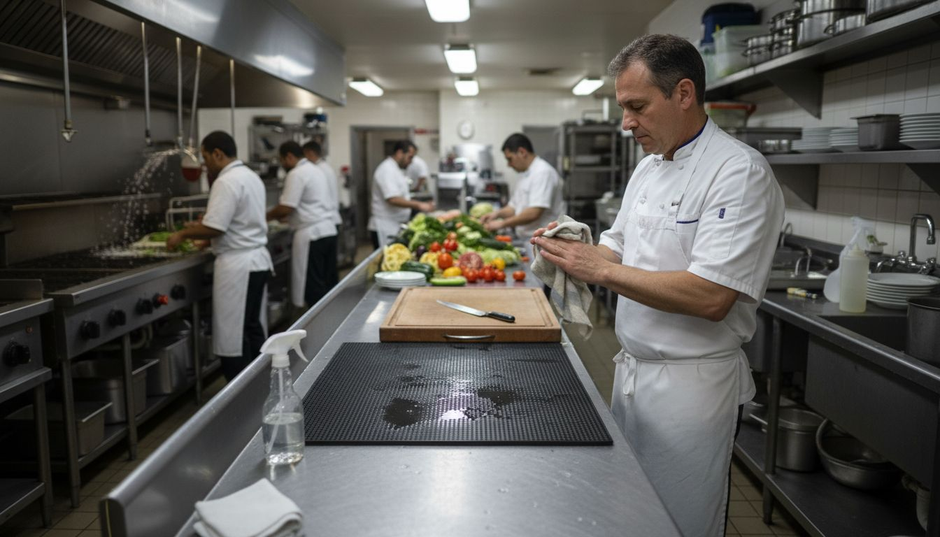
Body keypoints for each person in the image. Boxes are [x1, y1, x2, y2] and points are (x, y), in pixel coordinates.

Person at [530, 34, 784, 537]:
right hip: (632, 377)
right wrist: (569, 250)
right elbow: (616, 251)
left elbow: (711, 296)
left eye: (637, 107)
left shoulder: (738, 172)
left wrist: (598, 269)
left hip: (691, 390)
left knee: (679, 522)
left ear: (684, 94)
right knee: (629, 515)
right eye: (624, 107)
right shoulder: (647, 169)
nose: (626, 123)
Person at [167, 131, 274, 382]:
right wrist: (207, 239)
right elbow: (237, 222)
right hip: (255, 261)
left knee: (234, 334)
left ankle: (239, 394)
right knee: (251, 327)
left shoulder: (226, 181)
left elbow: (217, 226)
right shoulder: (250, 176)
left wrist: (181, 234)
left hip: (239, 266)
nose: (204, 165)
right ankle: (260, 384)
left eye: (205, 158)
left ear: (218, 154)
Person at [267, 141, 339, 310]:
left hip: (313, 235)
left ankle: (318, 329)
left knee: (313, 286)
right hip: (328, 230)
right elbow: (310, 204)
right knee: (327, 282)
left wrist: (265, 216)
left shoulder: (297, 173)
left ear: (289, 157)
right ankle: (331, 322)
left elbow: (287, 206)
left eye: (282, 160)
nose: (282, 165)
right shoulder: (316, 169)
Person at [479, 133, 564, 239]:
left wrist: (502, 224)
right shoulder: (524, 174)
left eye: (510, 159)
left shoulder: (543, 172)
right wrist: (496, 214)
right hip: (530, 239)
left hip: (545, 240)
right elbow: (514, 207)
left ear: (522, 152)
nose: (508, 165)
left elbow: (534, 212)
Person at [369, 140, 434, 248]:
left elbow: (402, 194)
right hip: (385, 226)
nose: (411, 161)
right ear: (399, 153)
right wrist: (419, 205)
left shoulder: (396, 170)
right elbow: (392, 198)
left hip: (395, 224)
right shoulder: (386, 170)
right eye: (410, 157)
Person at [303, 140, 345, 219]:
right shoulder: (324, 167)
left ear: (310, 153)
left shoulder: (318, 170)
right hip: (330, 216)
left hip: (327, 217)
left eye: (304, 155)